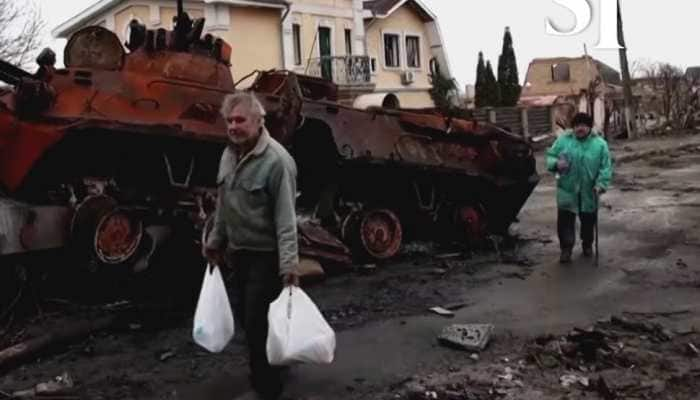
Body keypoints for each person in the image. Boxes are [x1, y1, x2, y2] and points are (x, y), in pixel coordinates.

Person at [204, 92, 299, 400]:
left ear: (259, 122)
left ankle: (267, 387)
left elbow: (286, 220)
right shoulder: (228, 155)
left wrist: (289, 266)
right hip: (238, 253)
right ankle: (276, 363)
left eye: (240, 120)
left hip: (266, 255)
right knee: (249, 319)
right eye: (229, 121)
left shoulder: (276, 162)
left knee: (255, 321)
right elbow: (224, 204)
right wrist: (215, 241)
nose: (233, 126)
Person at [546, 112, 613, 264]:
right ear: (573, 127)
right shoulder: (563, 141)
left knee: (588, 221)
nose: (580, 129)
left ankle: (587, 244)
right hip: (567, 190)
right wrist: (556, 164)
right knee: (565, 222)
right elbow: (551, 156)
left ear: (589, 127)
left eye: (583, 126)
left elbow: (605, 167)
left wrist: (601, 184)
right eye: (577, 126)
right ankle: (566, 249)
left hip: (589, 191)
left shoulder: (600, 144)